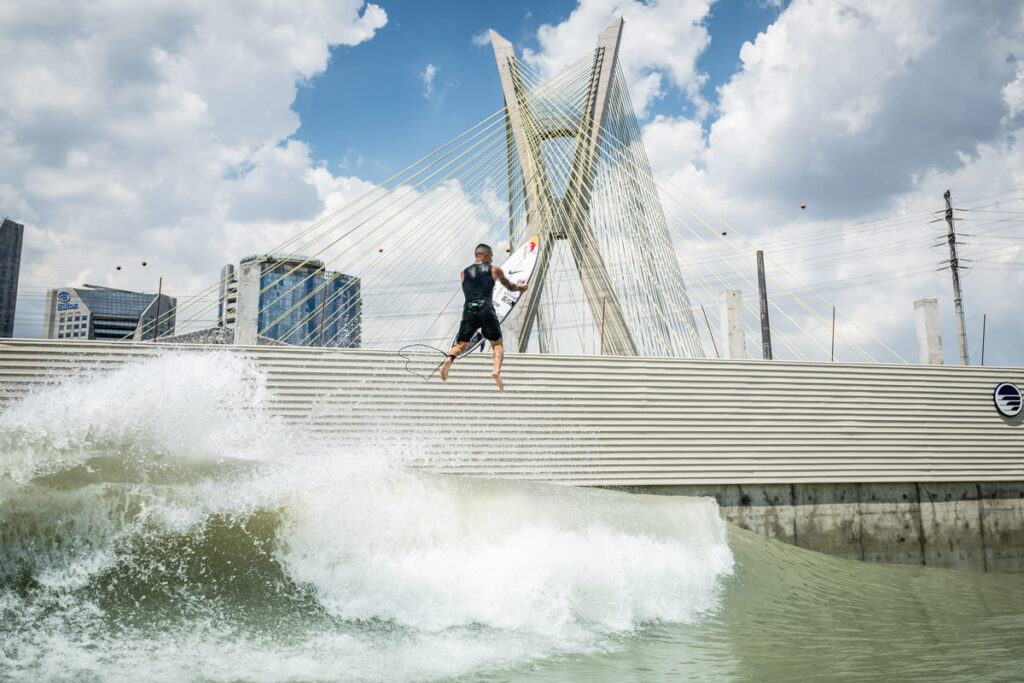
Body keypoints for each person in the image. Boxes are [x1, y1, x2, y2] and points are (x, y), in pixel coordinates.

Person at [440, 243, 527, 390]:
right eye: (491, 255)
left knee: (461, 344)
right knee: (497, 344)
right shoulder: (494, 270)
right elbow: (509, 286)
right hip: (486, 308)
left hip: (468, 309)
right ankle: (496, 371)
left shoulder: (463, 273)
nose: (492, 259)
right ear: (485, 255)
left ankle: (449, 359)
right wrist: (520, 287)